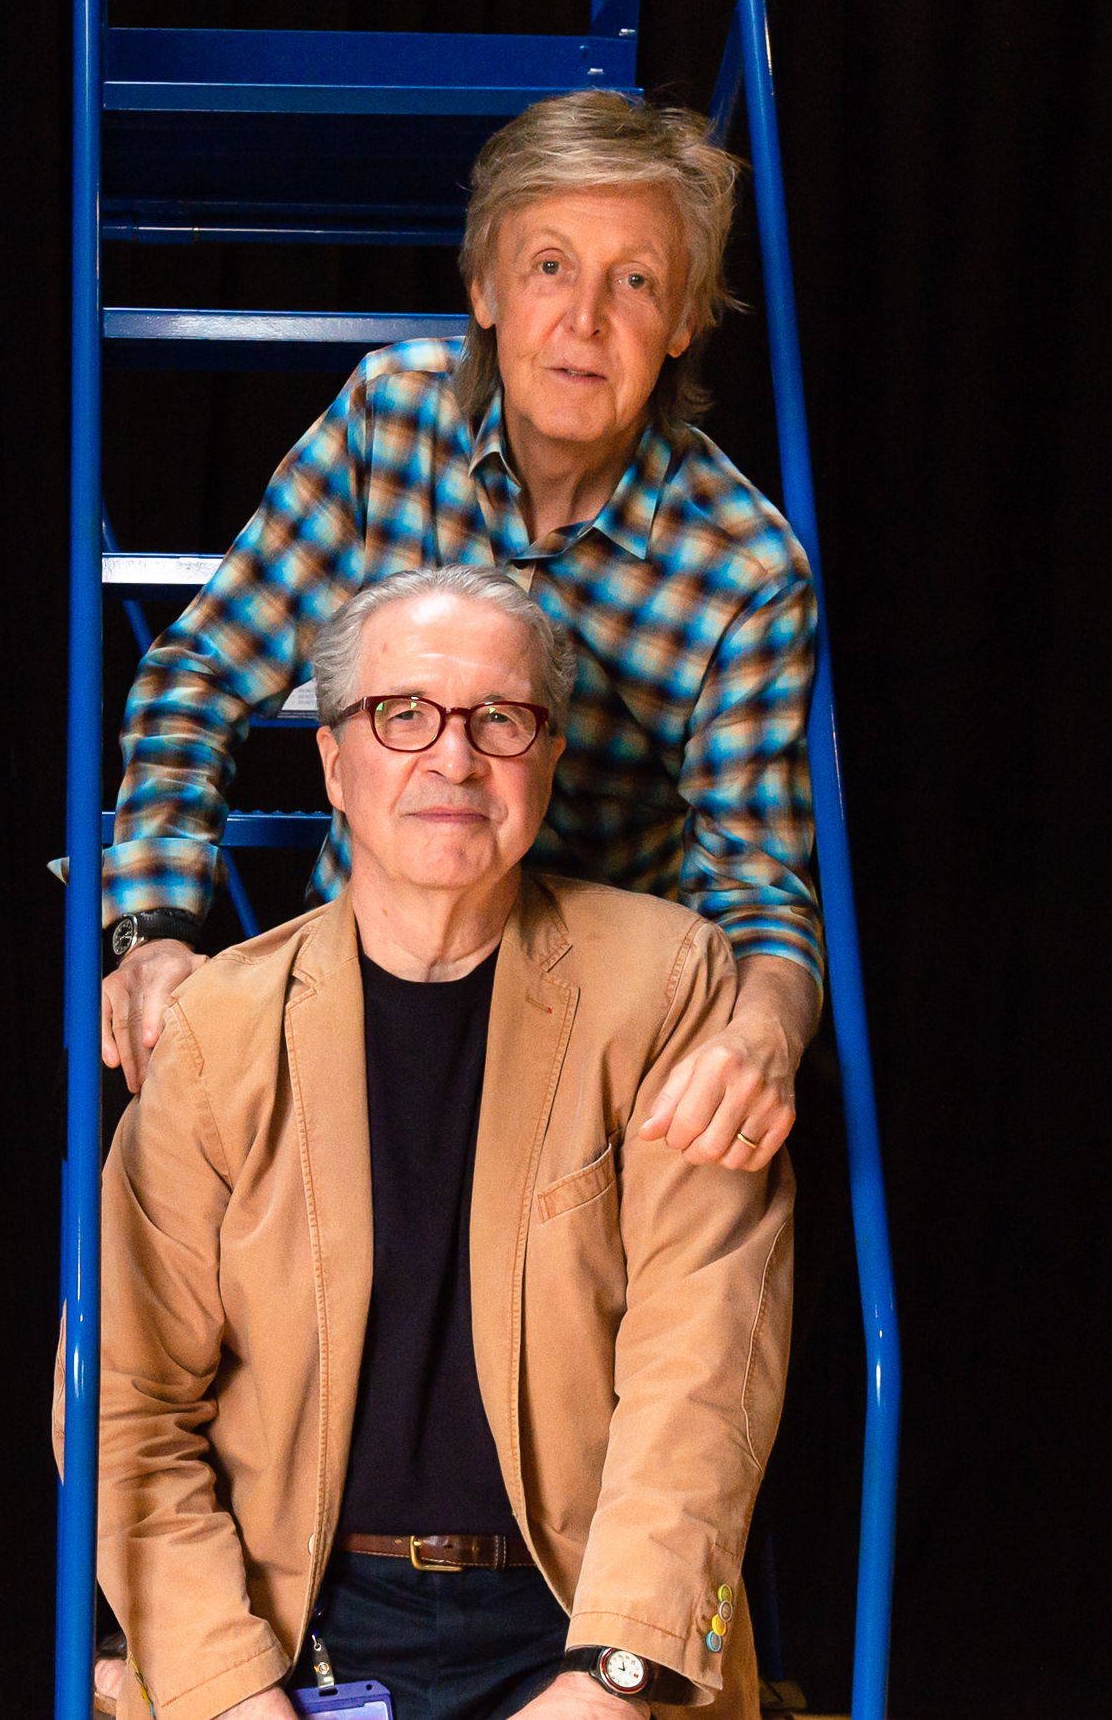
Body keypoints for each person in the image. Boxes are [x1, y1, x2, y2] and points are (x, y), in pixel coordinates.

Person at [70, 567, 793, 1720]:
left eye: (500, 718)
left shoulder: (665, 984)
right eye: (401, 713)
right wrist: (226, 1690)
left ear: (548, 757)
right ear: (332, 764)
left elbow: (701, 1374)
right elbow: (121, 1404)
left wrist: (615, 1675)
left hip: (578, 1621)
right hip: (293, 1628)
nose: (453, 757)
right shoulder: (219, 1029)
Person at [98, 90, 820, 1173]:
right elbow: (198, 674)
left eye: (634, 280)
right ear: (483, 287)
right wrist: (151, 933)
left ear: (680, 323)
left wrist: (765, 1031)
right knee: (178, 1176)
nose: (585, 320)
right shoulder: (389, 418)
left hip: (587, 1040)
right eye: (549, 266)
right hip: (360, 979)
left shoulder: (745, 573)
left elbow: (757, 891)